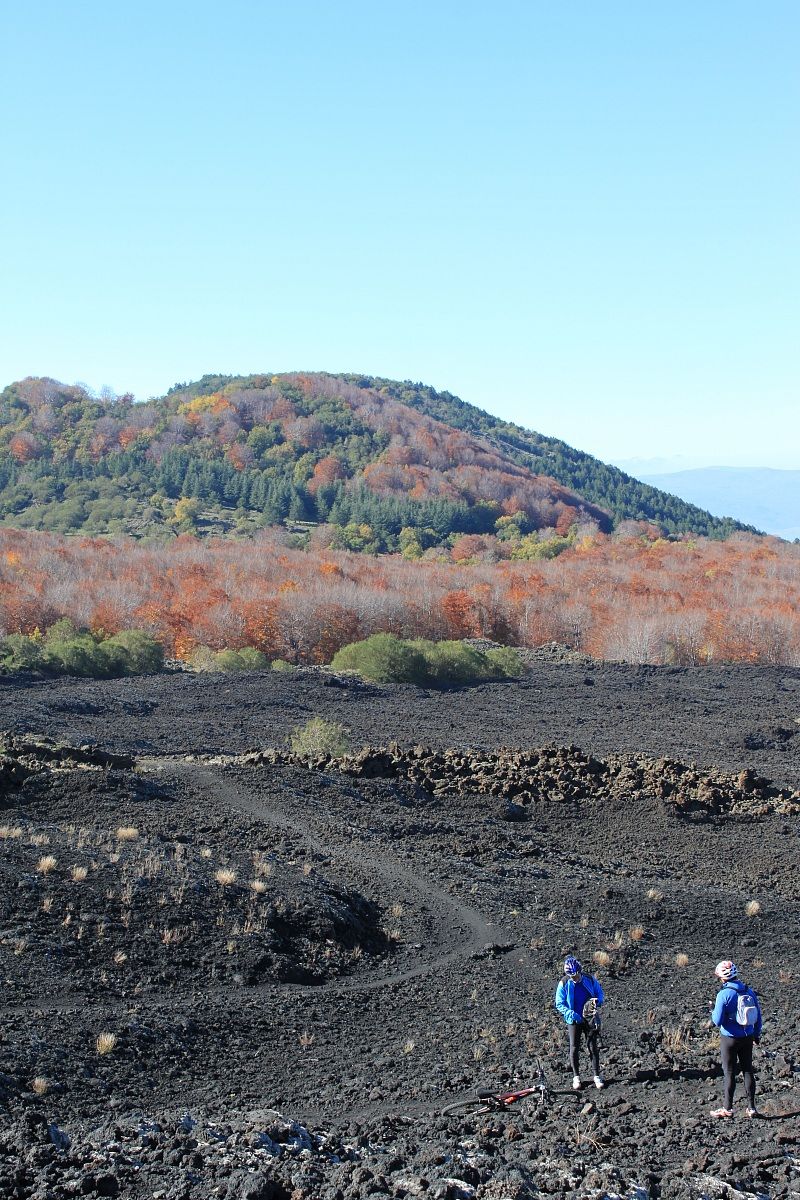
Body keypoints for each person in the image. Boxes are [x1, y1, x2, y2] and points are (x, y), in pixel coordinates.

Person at [709, 960, 763, 1119]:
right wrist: (756, 1034)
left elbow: (717, 1021)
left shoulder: (724, 994)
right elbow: (758, 1016)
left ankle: (727, 1109)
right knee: (748, 1070)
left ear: (722, 978)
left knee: (730, 1072)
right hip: (748, 1036)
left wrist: (712, 1009)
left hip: (729, 1039)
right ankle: (752, 1108)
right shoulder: (749, 991)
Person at [555, 955, 605, 1090]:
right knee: (574, 1047)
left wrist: (597, 1002)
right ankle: (576, 1077)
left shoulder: (589, 979)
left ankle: (596, 1076)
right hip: (574, 1019)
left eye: (577, 975)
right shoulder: (564, 983)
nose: (575, 978)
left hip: (589, 1017)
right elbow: (559, 1003)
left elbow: (600, 993)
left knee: (592, 1047)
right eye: (572, 976)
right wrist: (571, 1014)